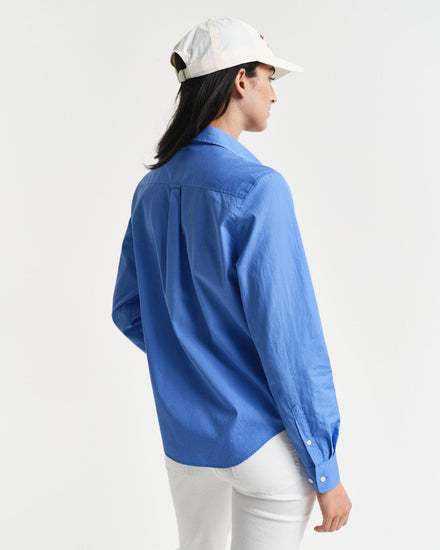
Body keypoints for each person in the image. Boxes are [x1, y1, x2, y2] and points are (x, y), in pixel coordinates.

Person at [111, 16, 352, 550]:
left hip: (185, 440)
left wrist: (193, 363)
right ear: (241, 80)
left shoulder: (151, 190)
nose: (274, 94)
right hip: (260, 445)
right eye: (269, 77)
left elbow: (128, 308)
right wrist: (326, 467)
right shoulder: (259, 189)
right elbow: (291, 343)